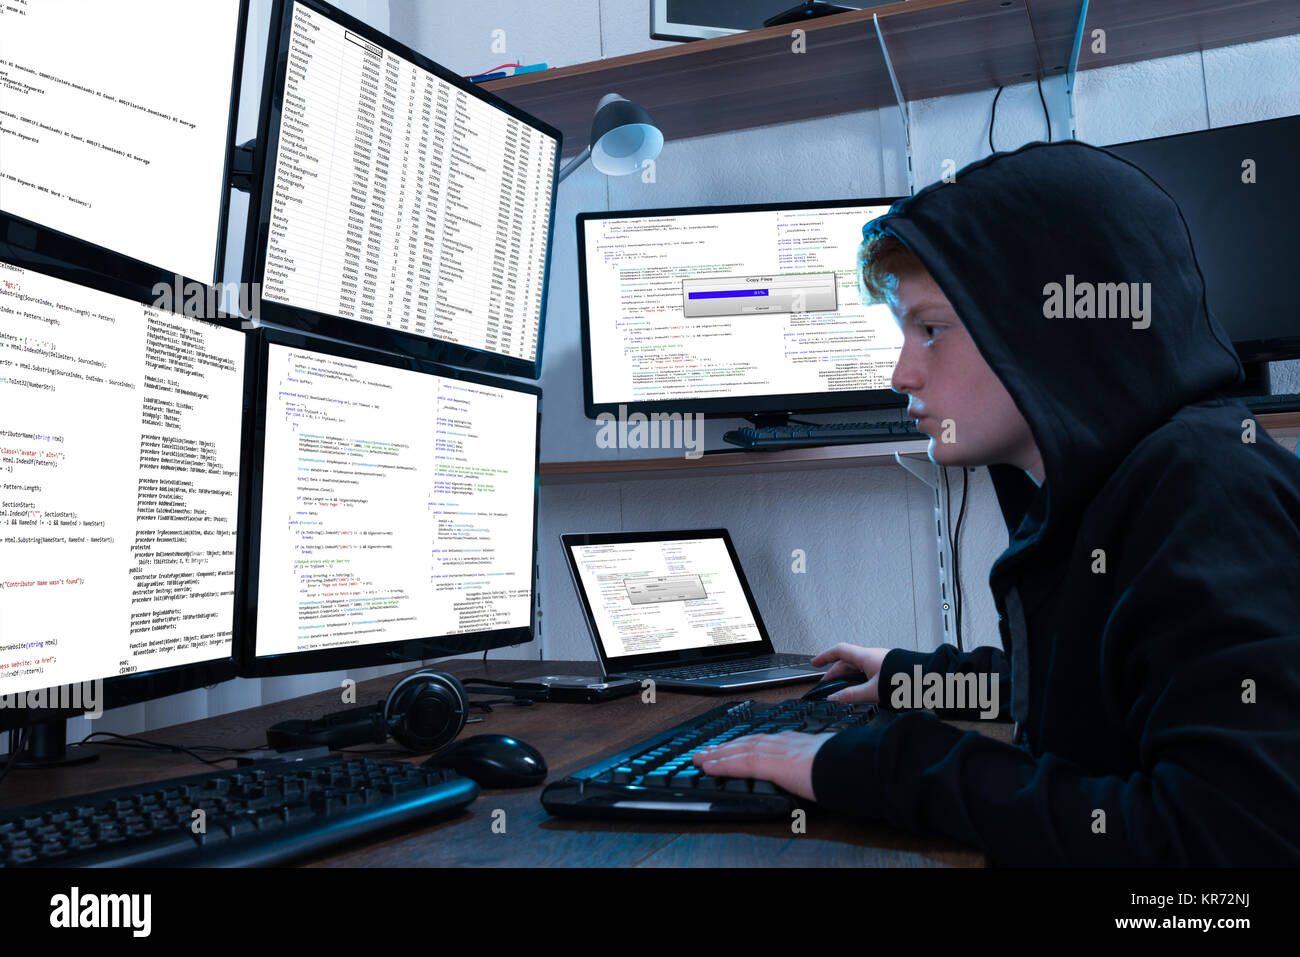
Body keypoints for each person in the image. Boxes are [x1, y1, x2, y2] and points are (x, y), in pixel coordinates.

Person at [692, 141, 1300, 866]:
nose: (900, 372)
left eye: (932, 330)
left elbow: (1225, 852)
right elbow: (1117, 698)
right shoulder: (1111, 490)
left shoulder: (1207, 486)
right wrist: (922, 678)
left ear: (1050, 329)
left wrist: (886, 765)